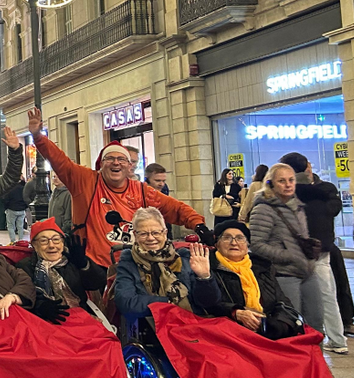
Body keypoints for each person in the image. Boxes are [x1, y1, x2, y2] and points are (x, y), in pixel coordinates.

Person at [26, 107, 209, 271]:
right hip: (94, 264)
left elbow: (174, 208)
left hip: (135, 264)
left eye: (121, 159)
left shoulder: (142, 190)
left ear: (129, 166)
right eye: (110, 159)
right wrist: (38, 137)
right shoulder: (86, 181)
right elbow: (60, 161)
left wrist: (198, 225)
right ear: (101, 164)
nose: (116, 163)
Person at [247, 163, 333, 347]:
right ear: (271, 183)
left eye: (291, 180)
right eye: (282, 181)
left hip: (306, 270)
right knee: (292, 324)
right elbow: (257, 245)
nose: (288, 185)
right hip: (283, 274)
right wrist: (288, 255)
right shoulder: (263, 208)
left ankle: (315, 365)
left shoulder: (297, 205)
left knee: (316, 322)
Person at [280, 152, 349, 353]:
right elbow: (332, 211)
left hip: (294, 253)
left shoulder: (286, 195)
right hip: (322, 249)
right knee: (328, 295)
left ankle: (299, 339)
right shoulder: (326, 192)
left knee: (292, 297)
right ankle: (337, 339)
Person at [113, 207, 222, 321]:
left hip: (194, 322)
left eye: (156, 232)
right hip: (154, 327)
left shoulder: (183, 257)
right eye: (143, 234)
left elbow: (209, 302)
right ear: (135, 234)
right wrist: (170, 302)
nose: (150, 238)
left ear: (165, 233)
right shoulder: (129, 260)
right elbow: (126, 303)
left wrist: (204, 277)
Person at [208, 221, 304, 340]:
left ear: (247, 244)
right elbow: (209, 304)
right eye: (227, 238)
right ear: (217, 244)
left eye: (240, 238)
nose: (234, 243)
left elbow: (281, 302)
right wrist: (236, 312)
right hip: (230, 331)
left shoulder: (262, 267)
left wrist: (270, 326)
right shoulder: (209, 267)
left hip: (265, 328)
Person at [15, 217, 107, 319]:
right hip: (44, 320)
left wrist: (84, 264)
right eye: (44, 241)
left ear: (62, 243)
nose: (51, 245)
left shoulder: (73, 260)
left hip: (79, 317)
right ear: (35, 245)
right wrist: (39, 307)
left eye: (56, 239)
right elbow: (24, 295)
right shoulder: (25, 266)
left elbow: (96, 284)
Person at [2, 178, 29, 243]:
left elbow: (5, 199)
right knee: (20, 226)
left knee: (11, 226)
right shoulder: (23, 189)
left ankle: (13, 241)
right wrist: (25, 207)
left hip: (12, 209)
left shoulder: (10, 189)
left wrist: (6, 208)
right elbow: (27, 199)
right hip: (21, 210)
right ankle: (21, 240)